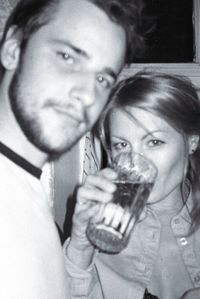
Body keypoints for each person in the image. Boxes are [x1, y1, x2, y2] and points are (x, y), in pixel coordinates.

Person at [0, 0, 144, 298]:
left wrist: (79, 244)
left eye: (103, 78)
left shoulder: (27, 191)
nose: (88, 94)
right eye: (67, 56)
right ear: (13, 49)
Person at [65, 71, 200, 299]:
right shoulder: (104, 231)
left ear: (192, 141)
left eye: (154, 142)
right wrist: (80, 246)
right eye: (121, 145)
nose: (135, 162)